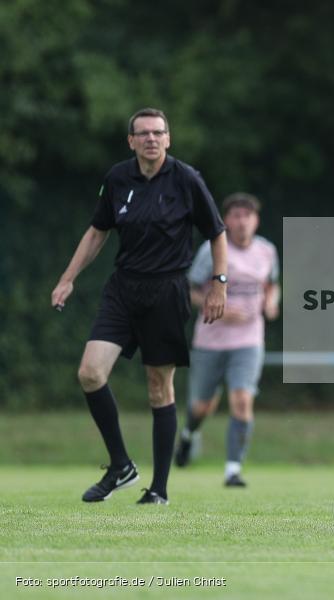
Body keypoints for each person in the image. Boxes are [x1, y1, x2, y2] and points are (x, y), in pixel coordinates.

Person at [51, 107, 227, 506]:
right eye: (143, 133)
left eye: (158, 132)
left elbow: (217, 234)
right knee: (90, 373)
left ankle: (159, 490)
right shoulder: (117, 178)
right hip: (122, 290)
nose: (151, 138)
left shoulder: (186, 179)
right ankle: (120, 466)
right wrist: (67, 277)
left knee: (157, 387)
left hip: (166, 292)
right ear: (131, 141)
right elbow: (97, 232)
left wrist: (218, 284)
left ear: (168, 139)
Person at [174, 193, 280, 487]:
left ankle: (233, 469)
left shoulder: (266, 251)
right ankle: (188, 435)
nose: (242, 221)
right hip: (211, 340)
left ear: (256, 220)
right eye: (235, 215)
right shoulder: (212, 250)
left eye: (247, 215)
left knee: (242, 400)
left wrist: (271, 302)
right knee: (201, 406)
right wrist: (214, 305)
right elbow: (191, 290)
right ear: (226, 220)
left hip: (249, 340)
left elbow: (272, 285)